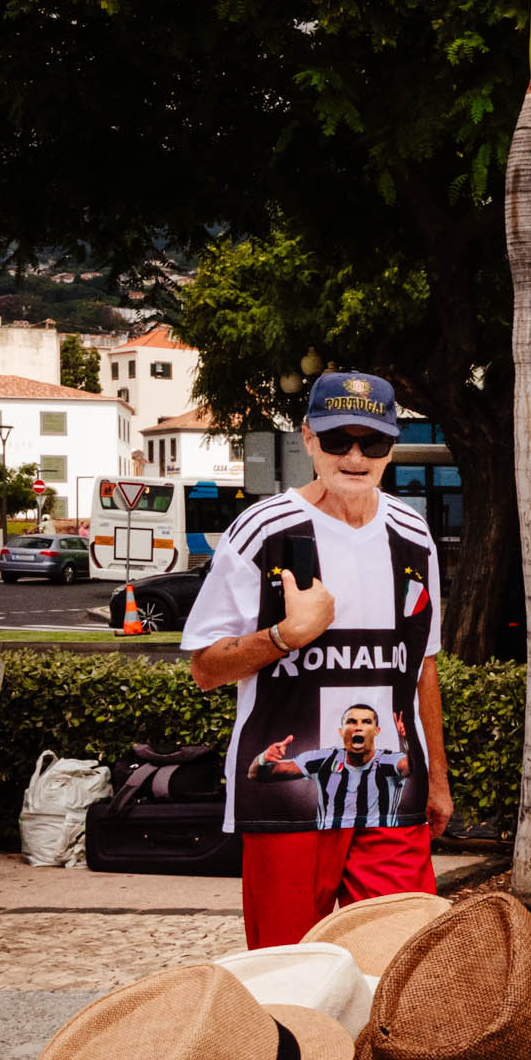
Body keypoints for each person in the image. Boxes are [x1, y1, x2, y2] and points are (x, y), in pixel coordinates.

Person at [186, 371, 453, 949]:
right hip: (288, 800)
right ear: (308, 439)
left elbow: (422, 665)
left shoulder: (414, 535)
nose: (354, 457)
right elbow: (204, 666)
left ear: (391, 447)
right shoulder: (263, 531)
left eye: (372, 443)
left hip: (392, 796)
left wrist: (438, 780)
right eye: (338, 441)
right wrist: (285, 635)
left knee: (400, 967)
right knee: (290, 973)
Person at [247, 705, 415, 832]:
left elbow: (411, 766)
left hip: (378, 847)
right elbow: (257, 774)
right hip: (331, 848)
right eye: (351, 722)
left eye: (366, 722)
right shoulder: (323, 760)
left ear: (376, 731)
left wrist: (409, 740)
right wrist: (264, 759)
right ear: (341, 731)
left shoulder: (388, 761)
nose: (358, 727)